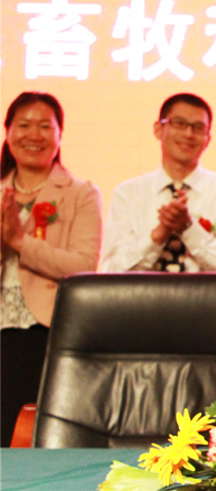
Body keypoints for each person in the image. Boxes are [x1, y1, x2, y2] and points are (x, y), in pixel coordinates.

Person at [1, 92, 101, 446]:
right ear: (8, 131)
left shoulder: (79, 193)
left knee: (32, 439)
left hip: (46, 332)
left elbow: (83, 264)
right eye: (24, 125)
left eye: (45, 126)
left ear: (60, 134)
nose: (34, 135)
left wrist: (19, 241)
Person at [101, 93, 216, 273]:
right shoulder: (127, 193)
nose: (188, 134)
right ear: (158, 129)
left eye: (198, 127)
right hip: (142, 292)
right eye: (179, 124)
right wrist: (158, 236)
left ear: (208, 139)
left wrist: (189, 228)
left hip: (204, 292)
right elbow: (113, 269)